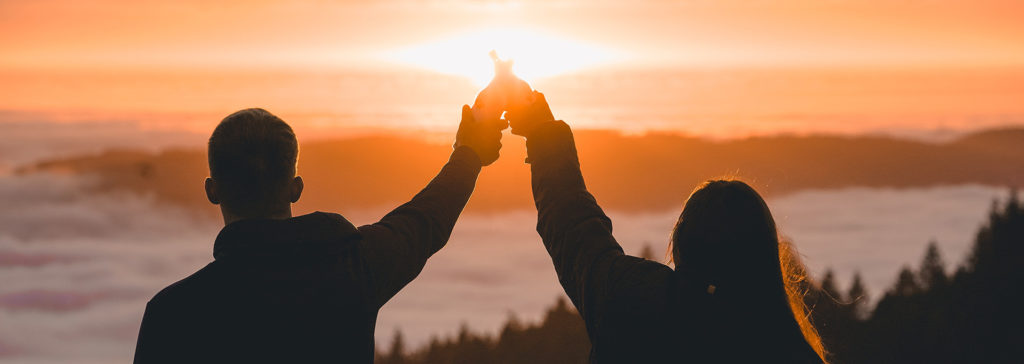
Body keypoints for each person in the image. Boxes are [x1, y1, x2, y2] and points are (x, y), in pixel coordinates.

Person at [133, 106, 504, 363]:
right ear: (295, 188)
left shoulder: (172, 314)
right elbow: (426, 220)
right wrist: (468, 151)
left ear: (212, 191)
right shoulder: (356, 267)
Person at [505, 92, 828, 363]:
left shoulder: (637, 302)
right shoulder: (786, 349)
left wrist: (541, 130)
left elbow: (573, 226)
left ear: (681, 244)